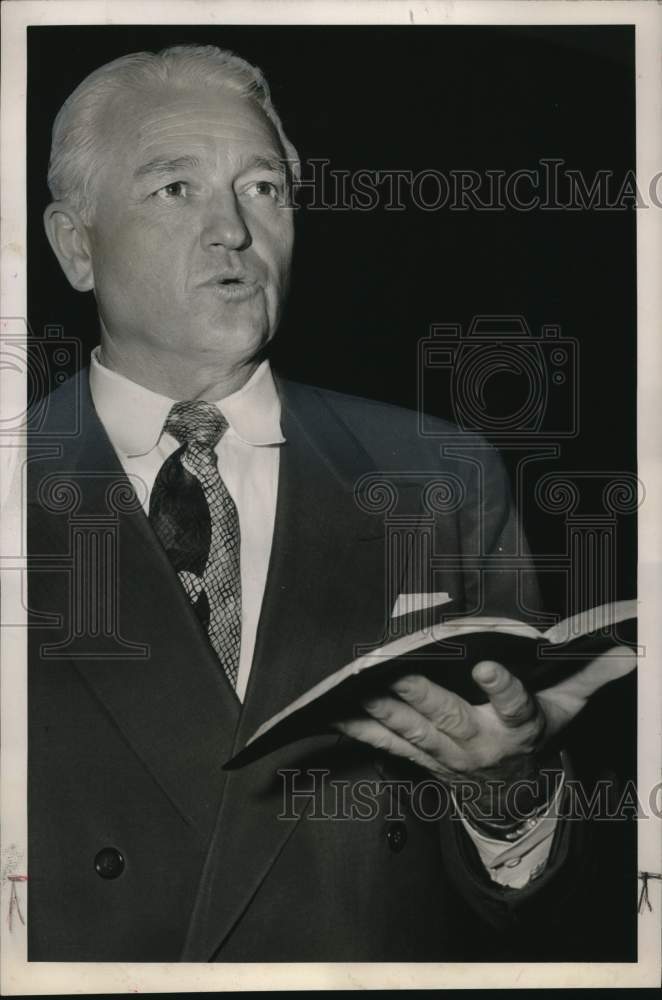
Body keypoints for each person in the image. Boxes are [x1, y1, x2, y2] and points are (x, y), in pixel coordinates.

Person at [27, 44, 635, 962]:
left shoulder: (443, 478)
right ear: (76, 245)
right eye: (175, 189)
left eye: (263, 187)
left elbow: (543, 924)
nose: (233, 228)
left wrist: (507, 787)